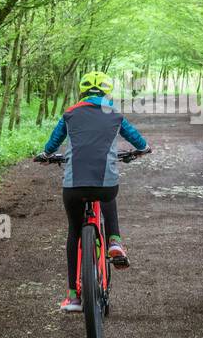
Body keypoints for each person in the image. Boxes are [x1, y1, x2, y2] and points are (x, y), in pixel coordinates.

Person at [39, 71, 149, 312]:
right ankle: (114, 241)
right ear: (107, 92)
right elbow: (138, 141)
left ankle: (73, 297)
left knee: (73, 232)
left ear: (83, 91)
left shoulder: (69, 114)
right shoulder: (115, 114)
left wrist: (46, 155)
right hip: (105, 184)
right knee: (107, 193)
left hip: (74, 186)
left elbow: (52, 144)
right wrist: (142, 149)